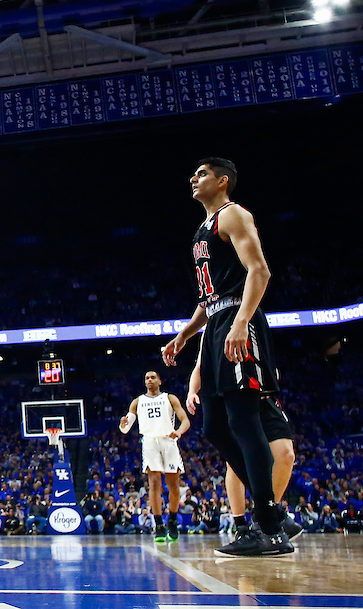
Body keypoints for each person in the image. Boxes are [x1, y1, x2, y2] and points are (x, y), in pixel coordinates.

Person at [162, 158, 292, 557]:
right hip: (219, 321)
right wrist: (184, 334)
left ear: (222, 181)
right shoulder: (202, 230)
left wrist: (241, 322)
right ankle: (272, 511)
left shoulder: (233, 214)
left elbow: (260, 271)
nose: (192, 178)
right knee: (214, 428)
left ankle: (268, 527)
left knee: (243, 419)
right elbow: (208, 298)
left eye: (201, 174)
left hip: (240, 320)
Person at [185, 352, 304, 541]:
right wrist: (192, 391)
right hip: (236, 397)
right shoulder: (214, 328)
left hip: (264, 397)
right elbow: (200, 365)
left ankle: (266, 514)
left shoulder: (255, 323)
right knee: (236, 462)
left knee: (286, 455)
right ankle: (241, 524)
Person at [118, 370, 190, 542]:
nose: (149, 380)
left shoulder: (169, 398)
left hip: (168, 441)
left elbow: (185, 420)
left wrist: (178, 432)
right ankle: (158, 525)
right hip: (149, 442)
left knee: (173, 486)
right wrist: (122, 425)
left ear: (160, 381)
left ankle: (172, 519)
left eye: (153, 377)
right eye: (147, 378)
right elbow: (126, 429)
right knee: (154, 484)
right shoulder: (137, 402)